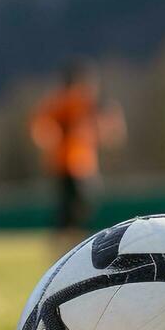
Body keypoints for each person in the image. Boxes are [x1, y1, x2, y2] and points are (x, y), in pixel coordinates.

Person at [29, 60, 124, 246]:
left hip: (79, 164)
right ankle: (69, 245)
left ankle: (69, 244)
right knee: (73, 210)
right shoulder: (70, 102)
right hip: (69, 164)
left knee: (76, 210)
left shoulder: (73, 102)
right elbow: (42, 127)